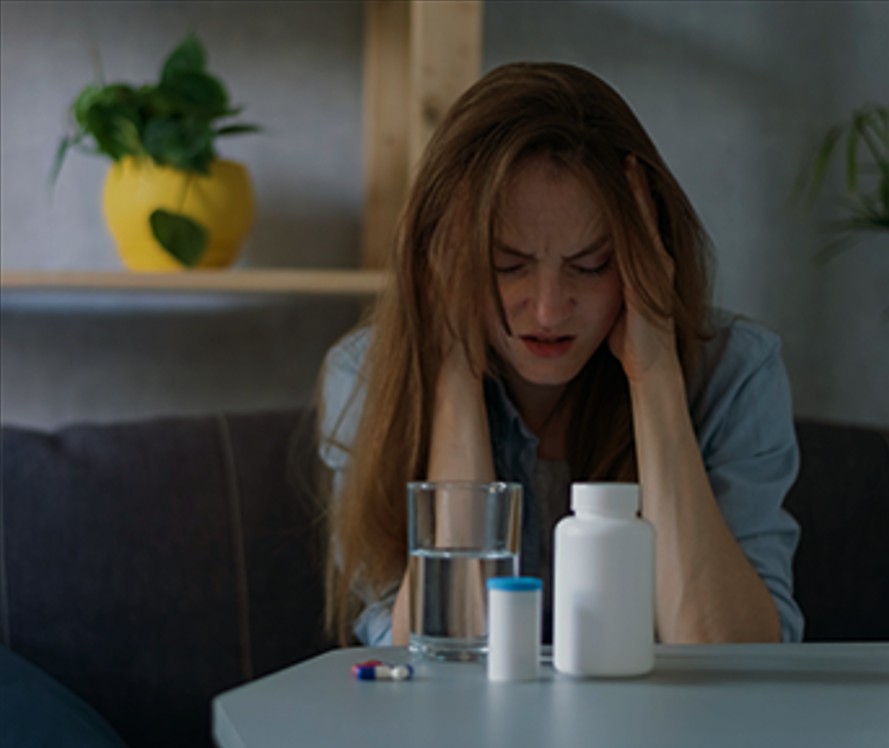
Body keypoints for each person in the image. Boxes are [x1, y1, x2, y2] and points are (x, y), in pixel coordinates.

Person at [317, 61, 803, 648]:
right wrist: (454, 375)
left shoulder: (736, 373)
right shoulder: (364, 373)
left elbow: (729, 656)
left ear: (649, 258)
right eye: (508, 266)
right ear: (443, 262)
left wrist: (655, 379)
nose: (548, 310)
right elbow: (434, 657)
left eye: (591, 266)